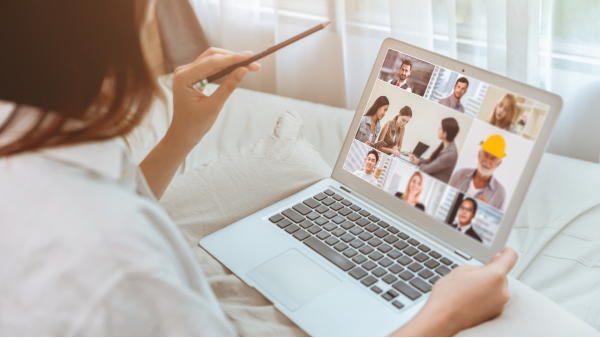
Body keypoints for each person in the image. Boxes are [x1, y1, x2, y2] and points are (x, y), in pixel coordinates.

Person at [0, 1, 522, 336]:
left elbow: (108, 194)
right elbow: (108, 229)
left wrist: (184, 133)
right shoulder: (121, 267)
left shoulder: (34, 142)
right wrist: (442, 316)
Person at [449, 135, 507, 211]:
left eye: (493, 159)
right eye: (486, 155)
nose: (487, 161)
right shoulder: (459, 174)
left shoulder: (500, 194)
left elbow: (496, 222)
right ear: (479, 154)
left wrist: (483, 211)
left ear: (498, 164)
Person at [409, 118, 460, 184]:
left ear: (445, 134)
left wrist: (421, 165)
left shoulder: (450, 154)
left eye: (439, 129)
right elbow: (434, 161)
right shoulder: (446, 145)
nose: (437, 131)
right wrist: (418, 161)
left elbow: (425, 169)